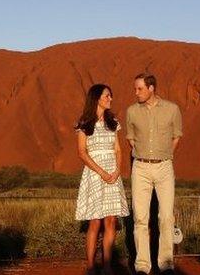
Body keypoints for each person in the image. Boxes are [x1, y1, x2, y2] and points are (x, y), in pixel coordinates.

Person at [126, 73, 183, 275]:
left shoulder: (172, 109)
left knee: (166, 217)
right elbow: (131, 139)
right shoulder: (132, 111)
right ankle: (142, 265)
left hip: (164, 167)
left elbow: (176, 136)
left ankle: (166, 263)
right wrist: (143, 156)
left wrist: (165, 155)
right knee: (140, 218)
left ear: (151, 88)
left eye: (139, 88)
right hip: (140, 167)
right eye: (135, 88)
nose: (136, 92)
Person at [75, 84, 130, 275]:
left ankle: (107, 266)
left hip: (112, 174)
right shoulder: (84, 123)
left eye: (110, 96)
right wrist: (101, 172)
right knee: (94, 222)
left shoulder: (112, 121)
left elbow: (118, 149)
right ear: (97, 98)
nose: (110, 99)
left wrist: (117, 171)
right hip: (94, 173)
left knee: (111, 221)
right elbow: (82, 152)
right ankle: (90, 266)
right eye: (107, 96)